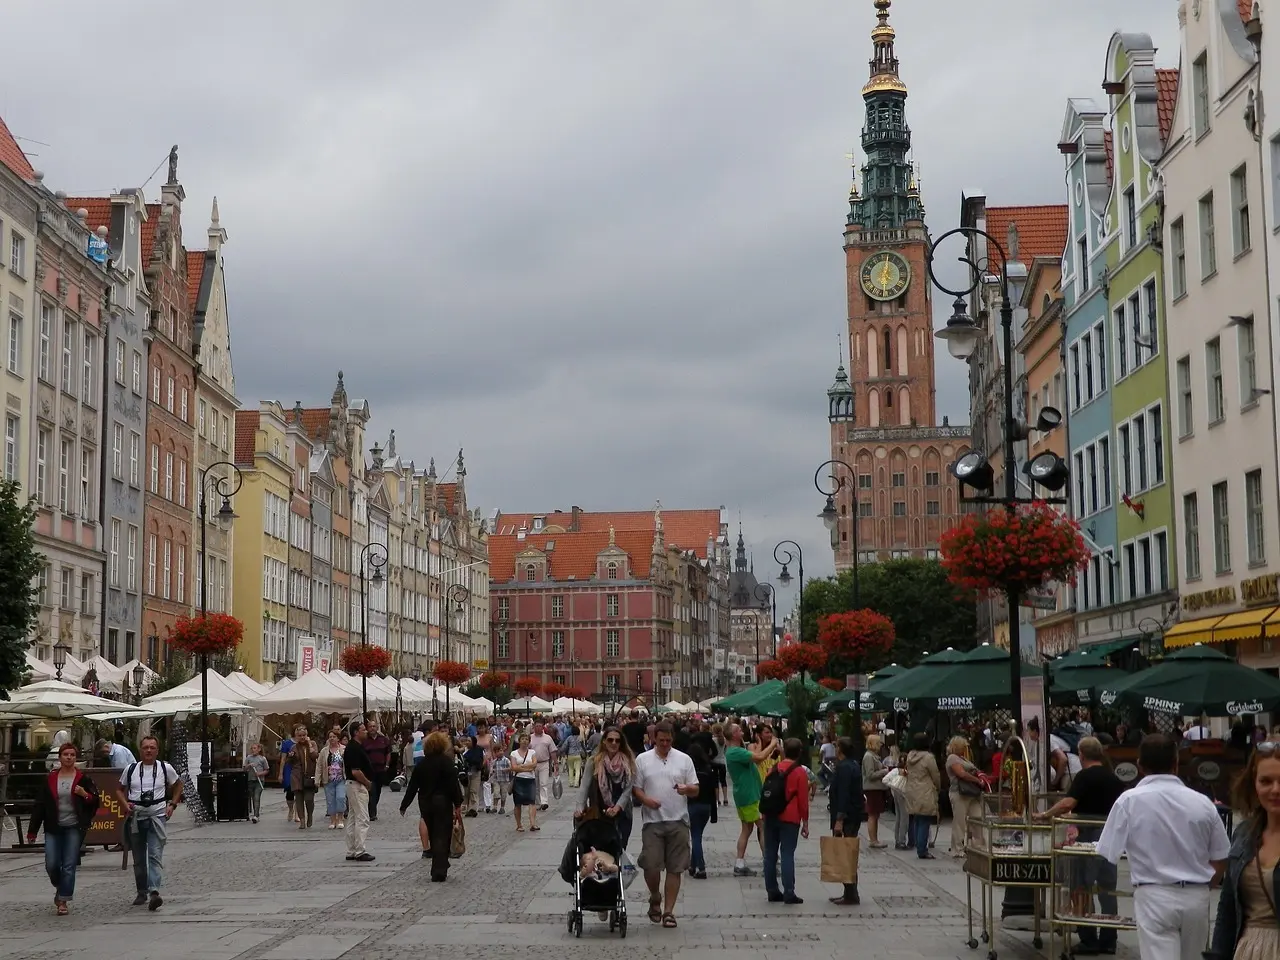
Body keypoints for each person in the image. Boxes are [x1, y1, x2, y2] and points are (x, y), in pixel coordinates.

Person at [1097, 734, 1230, 960]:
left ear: (1139, 765)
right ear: (1176, 763)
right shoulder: (1202, 802)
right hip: (1196, 894)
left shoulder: (1128, 801)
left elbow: (1108, 851)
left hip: (1153, 893)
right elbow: (1221, 856)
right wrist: (1206, 885)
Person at [1036, 736, 1124, 955]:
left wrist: (1046, 814)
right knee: (1107, 889)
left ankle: (1088, 938)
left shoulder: (1084, 776)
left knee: (1081, 887)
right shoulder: (1113, 778)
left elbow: (1069, 802)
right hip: (1109, 836)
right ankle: (1109, 938)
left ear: (1081, 755)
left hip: (1087, 835)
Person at [1209, 739, 1280, 959]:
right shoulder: (1244, 834)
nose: (1275, 790)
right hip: (1247, 950)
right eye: (1266, 781)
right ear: (1254, 784)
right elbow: (1227, 910)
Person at [633, 722, 699, 929]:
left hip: (678, 820)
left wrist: (687, 788)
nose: (664, 744)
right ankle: (655, 895)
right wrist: (646, 801)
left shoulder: (684, 759)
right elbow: (636, 788)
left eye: (668, 741)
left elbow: (696, 789)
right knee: (650, 865)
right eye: (661, 741)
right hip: (652, 821)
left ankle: (669, 911)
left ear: (673, 739)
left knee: (675, 868)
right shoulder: (642, 760)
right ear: (654, 739)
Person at [27, 742, 100, 915]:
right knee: (51, 864)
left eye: (72, 755)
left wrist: (84, 794)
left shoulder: (83, 778)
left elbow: (95, 801)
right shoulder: (51, 778)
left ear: (76, 758)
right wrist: (32, 831)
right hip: (53, 826)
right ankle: (60, 886)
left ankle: (63, 900)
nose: (69, 757)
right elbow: (40, 805)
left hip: (74, 827)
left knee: (68, 864)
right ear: (59, 757)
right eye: (66, 754)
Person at [116, 735, 182, 911]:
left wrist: (172, 804)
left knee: (154, 854)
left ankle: (154, 892)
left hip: (157, 816)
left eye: (152, 747)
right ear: (140, 750)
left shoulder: (164, 768)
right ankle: (141, 891)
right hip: (136, 817)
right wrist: (125, 805)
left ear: (157, 750)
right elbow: (119, 790)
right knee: (138, 858)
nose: (149, 751)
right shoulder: (130, 769)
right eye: (145, 747)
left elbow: (178, 785)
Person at [401, 731, 464, 882]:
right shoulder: (447, 762)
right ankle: (439, 869)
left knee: (434, 833)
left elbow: (413, 786)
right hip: (443, 803)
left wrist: (404, 805)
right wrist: (458, 803)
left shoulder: (422, 764)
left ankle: (439, 864)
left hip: (426, 803)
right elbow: (453, 785)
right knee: (442, 835)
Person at [760, 737, 810, 905]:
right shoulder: (800, 772)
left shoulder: (773, 768)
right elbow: (803, 800)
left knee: (769, 854)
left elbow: (765, 790)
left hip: (771, 815)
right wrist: (806, 822)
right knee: (787, 853)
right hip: (790, 817)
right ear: (800, 752)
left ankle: (772, 890)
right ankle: (789, 892)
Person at [724, 722, 768, 876]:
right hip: (749, 795)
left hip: (744, 793)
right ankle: (768, 862)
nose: (742, 732)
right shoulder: (735, 751)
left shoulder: (734, 750)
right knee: (763, 826)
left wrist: (761, 742)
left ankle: (740, 863)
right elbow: (760, 757)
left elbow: (757, 755)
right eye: (739, 731)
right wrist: (774, 743)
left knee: (747, 829)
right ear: (733, 735)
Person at [828, 736, 864, 905]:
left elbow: (843, 794)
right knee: (848, 853)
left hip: (847, 816)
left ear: (840, 749)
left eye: (837, 747)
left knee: (846, 854)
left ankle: (850, 893)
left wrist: (839, 819)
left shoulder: (844, 768)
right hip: (854, 815)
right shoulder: (854, 765)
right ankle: (849, 891)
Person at [343, 721, 377, 862]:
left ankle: (351, 849)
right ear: (356, 732)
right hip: (357, 785)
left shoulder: (355, 747)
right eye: (363, 729)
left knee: (352, 817)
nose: (366, 731)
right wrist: (367, 783)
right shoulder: (354, 749)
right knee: (362, 818)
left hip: (353, 785)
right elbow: (356, 771)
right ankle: (360, 850)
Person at [945, 736, 984, 858]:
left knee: (977, 817)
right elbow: (961, 773)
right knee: (959, 821)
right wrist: (977, 780)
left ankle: (978, 845)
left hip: (971, 794)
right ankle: (957, 848)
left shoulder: (963, 758)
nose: (966, 748)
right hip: (959, 793)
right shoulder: (952, 758)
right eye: (964, 746)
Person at [904, 732, 940, 860]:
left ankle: (917, 844)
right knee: (925, 820)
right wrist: (938, 787)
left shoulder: (910, 756)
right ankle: (922, 850)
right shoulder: (928, 758)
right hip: (925, 790)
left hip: (912, 790)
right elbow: (935, 775)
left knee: (917, 819)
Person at [687, 743, 718, 879]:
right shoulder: (708, 769)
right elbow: (713, 792)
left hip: (693, 805)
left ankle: (701, 868)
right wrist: (714, 812)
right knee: (697, 835)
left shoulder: (689, 771)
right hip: (706, 806)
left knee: (695, 836)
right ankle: (692, 866)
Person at [862, 733, 889, 849]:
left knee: (875, 814)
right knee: (872, 814)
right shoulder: (868, 757)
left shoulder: (874, 756)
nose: (881, 745)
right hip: (872, 788)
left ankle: (875, 838)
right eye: (879, 742)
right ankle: (873, 840)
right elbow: (870, 775)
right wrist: (884, 771)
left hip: (877, 788)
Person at [288, 726, 318, 829]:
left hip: (310, 776)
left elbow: (315, 756)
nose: (302, 737)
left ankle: (310, 815)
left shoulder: (312, 744)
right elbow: (289, 762)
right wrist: (291, 756)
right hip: (297, 776)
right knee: (299, 799)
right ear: (296, 736)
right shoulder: (293, 747)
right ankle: (302, 820)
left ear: (307, 735)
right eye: (299, 736)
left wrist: (309, 744)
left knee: (309, 799)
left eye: (304, 735)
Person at [510, 733, 540, 832]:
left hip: (530, 779)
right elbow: (514, 767)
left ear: (529, 741)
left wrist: (521, 767)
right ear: (519, 741)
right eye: (522, 739)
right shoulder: (514, 753)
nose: (524, 741)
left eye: (526, 739)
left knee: (532, 801)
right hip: (519, 780)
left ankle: (533, 823)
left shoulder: (532, 752)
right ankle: (519, 825)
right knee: (518, 803)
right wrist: (528, 767)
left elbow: (534, 764)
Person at [317, 732, 347, 830]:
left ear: (338, 738)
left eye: (334, 737)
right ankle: (333, 820)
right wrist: (317, 779)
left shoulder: (343, 749)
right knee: (330, 801)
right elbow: (319, 765)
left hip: (340, 778)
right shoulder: (324, 751)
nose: (332, 738)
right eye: (330, 737)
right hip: (328, 779)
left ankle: (340, 818)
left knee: (341, 797)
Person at [364, 720, 392, 822]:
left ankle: (372, 807)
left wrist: (387, 765)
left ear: (377, 727)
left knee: (378, 791)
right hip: (369, 770)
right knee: (372, 790)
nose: (372, 728)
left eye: (374, 726)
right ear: (367, 728)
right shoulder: (365, 741)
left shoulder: (383, 740)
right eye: (370, 726)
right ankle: (372, 813)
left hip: (381, 769)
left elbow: (388, 752)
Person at [529, 721, 558, 810]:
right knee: (535, 784)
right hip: (533, 764)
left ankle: (544, 802)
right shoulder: (530, 738)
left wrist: (555, 763)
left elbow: (552, 751)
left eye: (540, 726)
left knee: (543, 783)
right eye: (536, 726)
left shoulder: (548, 738)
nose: (538, 728)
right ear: (534, 727)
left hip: (544, 762)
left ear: (543, 727)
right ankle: (537, 803)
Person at [244, 743, 268, 824]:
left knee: (256, 797)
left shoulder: (262, 759)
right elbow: (244, 768)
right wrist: (249, 765)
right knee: (252, 798)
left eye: (254, 748)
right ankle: (253, 813)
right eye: (252, 748)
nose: (253, 750)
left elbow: (267, 770)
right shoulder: (248, 758)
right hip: (250, 780)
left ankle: (256, 816)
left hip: (259, 781)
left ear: (259, 749)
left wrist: (260, 773)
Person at [279, 731, 297, 822]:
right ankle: (291, 809)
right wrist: (280, 773)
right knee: (289, 791)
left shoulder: (305, 742)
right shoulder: (286, 743)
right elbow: (283, 759)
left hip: (300, 769)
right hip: (289, 769)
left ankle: (298, 813)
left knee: (299, 791)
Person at [562, 724, 584, 788]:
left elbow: (565, 745)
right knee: (577, 770)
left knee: (571, 769)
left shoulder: (569, 738)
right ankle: (576, 783)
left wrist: (561, 751)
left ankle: (571, 782)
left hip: (570, 755)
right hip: (578, 754)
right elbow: (583, 746)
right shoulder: (580, 738)